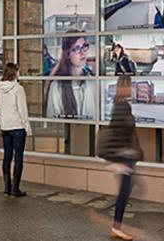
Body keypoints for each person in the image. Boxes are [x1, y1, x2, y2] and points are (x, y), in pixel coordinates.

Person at [97, 75, 142, 241]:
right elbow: (117, 132)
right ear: (122, 87)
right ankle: (116, 227)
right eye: (128, 86)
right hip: (124, 157)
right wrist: (119, 159)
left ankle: (116, 226)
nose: (130, 89)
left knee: (129, 188)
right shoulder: (121, 107)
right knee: (124, 192)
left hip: (127, 156)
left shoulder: (122, 105)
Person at [0, 62, 32, 197]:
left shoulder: (1, 87)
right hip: (17, 127)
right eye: (18, 71)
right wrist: (27, 127)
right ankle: (15, 189)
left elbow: (0, 108)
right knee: (18, 158)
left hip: (5, 127)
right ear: (14, 72)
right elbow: (22, 110)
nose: (19, 73)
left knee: (7, 156)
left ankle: (7, 187)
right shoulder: (18, 89)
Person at [46, 30, 96, 120]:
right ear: (67, 54)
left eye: (84, 47)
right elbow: (52, 120)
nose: (82, 52)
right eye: (77, 48)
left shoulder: (93, 81)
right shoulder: (57, 86)